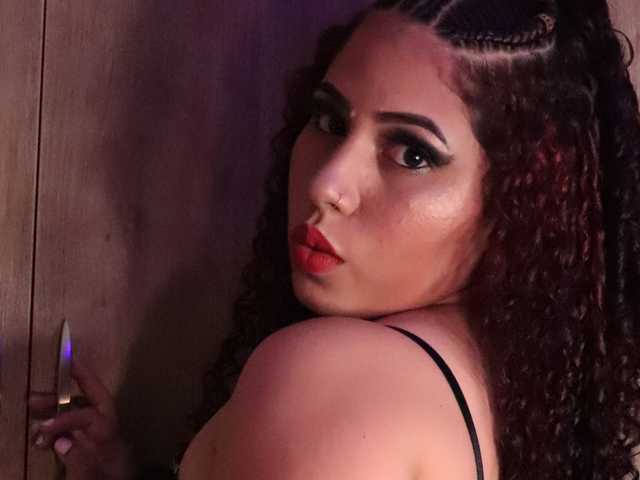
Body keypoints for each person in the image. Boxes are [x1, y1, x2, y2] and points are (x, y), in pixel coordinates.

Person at [28, 0, 640, 478]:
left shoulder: (334, 379)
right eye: (329, 120)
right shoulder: (510, 390)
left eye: (412, 153)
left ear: (517, 201)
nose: (327, 183)